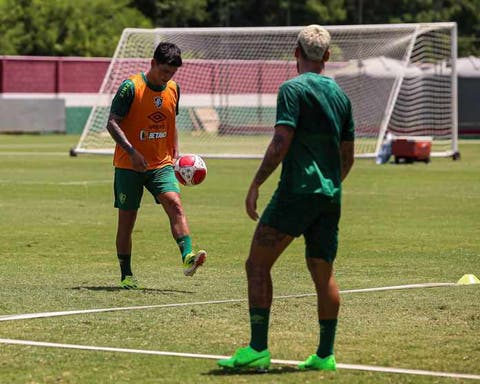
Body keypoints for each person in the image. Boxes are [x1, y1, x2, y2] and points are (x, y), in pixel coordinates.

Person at [218, 25, 354, 371]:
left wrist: (256, 183)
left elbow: (281, 141)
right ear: (326, 56)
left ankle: (258, 349)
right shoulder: (341, 96)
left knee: (257, 264)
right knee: (322, 271)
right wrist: (329, 184)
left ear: (296, 53)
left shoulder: (291, 89)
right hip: (330, 195)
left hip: (297, 191)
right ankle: (325, 356)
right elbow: (348, 155)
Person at [106, 42, 206, 290]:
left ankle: (188, 257)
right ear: (152, 64)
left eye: (171, 74)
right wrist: (132, 152)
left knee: (175, 204)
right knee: (127, 221)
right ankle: (126, 274)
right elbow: (112, 123)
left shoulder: (174, 89)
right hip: (129, 165)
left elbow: (170, 124)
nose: (167, 77)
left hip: (161, 164)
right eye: (164, 72)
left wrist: (176, 155)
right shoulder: (131, 87)